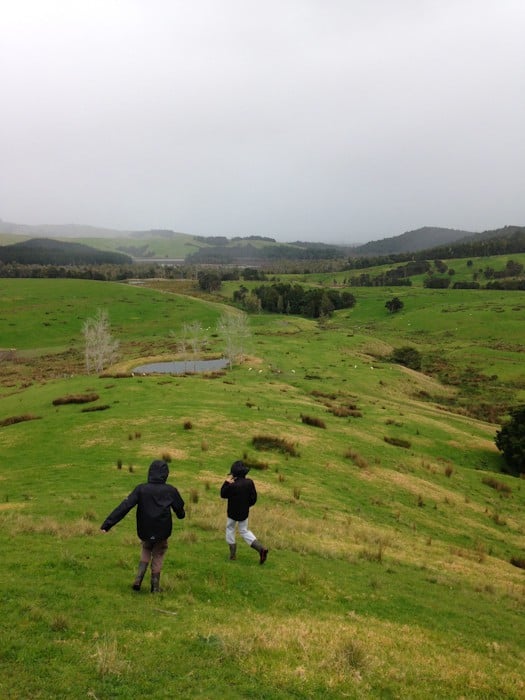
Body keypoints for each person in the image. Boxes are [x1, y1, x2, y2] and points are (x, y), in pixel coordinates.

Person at [100, 459, 185, 592]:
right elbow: (179, 508)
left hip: (145, 529)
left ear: (150, 473)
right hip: (162, 530)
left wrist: (107, 524)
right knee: (158, 553)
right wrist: (181, 514)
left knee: (146, 548)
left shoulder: (141, 489)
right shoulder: (170, 490)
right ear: (165, 474)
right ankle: (155, 587)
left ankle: (138, 579)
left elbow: (125, 506)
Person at [220, 460, 268, 564]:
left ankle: (232, 555)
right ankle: (261, 549)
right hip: (244, 513)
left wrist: (227, 482)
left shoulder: (232, 485)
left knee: (230, 529)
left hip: (232, 513)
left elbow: (222, 494)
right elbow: (253, 498)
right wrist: (247, 505)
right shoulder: (250, 483)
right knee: (244, 531)